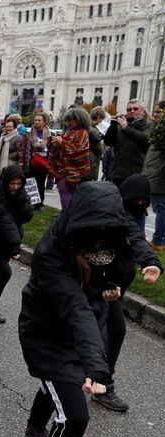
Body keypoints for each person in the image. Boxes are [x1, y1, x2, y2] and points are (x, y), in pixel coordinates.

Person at [18, 181, 156, 437]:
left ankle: (34, 428)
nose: (102, 237)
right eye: (95, 229)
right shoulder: (52, 250)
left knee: (59, 387)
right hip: (48, 331)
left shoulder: (115, 231)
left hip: (85, 323)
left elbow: (132, 243)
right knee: (75, 415)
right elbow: (74, 306)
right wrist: (99, 367)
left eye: (108, 228)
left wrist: (147, 263)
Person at [89, 175, 163, 412]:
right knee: (89, 335)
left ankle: (103, 383)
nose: (140, 204)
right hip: (92, 286)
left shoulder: (130, 219)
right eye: (136, 199)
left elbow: (138, 241)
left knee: (116, 330)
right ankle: (76, 379)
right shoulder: (112, 216)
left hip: (113, 288)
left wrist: (151, 262)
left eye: (144, 201)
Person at [0, 165, 33, 323]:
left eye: (18, 184)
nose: (15, 187)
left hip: (6, 243)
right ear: (6, 182)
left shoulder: (20, 194)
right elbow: (6, 223)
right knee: (5, 272)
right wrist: (16, 245)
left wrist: (22, 201)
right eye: (12, 184)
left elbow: (27, 216)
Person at [48, 107, 93, 209]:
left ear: (79, 119)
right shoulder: (69, 131)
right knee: (65, 191)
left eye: (71, 120)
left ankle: (67, 214)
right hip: (64, 169)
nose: (68, 123)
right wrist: (54, 142)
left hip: (72, 170)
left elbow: (79, 152)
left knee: (64, 190)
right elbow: (62, 148)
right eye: (67, 120)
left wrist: (62, 142)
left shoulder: (82, 133)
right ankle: (69, 214)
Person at [104, 100, 151, 186]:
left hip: (136, 172)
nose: (132, 111)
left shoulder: (148, 124)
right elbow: (108, 142)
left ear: (143, 111)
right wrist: (113, 126)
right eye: (129, 110)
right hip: (118, 173)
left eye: (135, 109)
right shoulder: (122, 124)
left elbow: (145, 141)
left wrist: (126, 128)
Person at [144, 101, 165, 251]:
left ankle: (158, 241)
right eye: (154, 112)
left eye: (158, 112)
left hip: (158, 176)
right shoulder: (159, 128)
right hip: (155, 174)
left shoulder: (162, 130)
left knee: (160, 209)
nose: (155, 115)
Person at [22, 114, 51, 207]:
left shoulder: (49, 134)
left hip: (44, 163)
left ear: (44, 122)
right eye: (35, 120)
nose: (36, 122)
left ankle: (39, 204)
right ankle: (30, 202)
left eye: (39, 120)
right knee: (30, 182)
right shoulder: (28, 133)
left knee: (41, 183)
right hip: (31, 162)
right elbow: (23, 147)